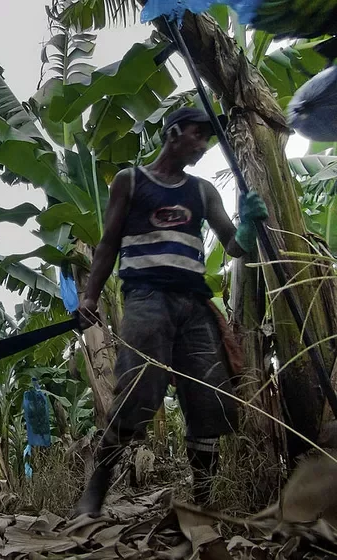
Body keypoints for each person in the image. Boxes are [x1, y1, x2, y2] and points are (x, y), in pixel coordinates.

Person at [72, 107, 269, 517]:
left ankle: (204, 499)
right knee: (138, 392)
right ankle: (96, 491)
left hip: (195, 305)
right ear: (174, 132)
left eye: (207, 139)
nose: (203, 145)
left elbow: (232, 245)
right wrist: (90, 297)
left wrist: (248, 225)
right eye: (198, 135)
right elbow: (108, 243)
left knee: (208, 397)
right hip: (147, 298)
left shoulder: (201, 192)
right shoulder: (131, 181)